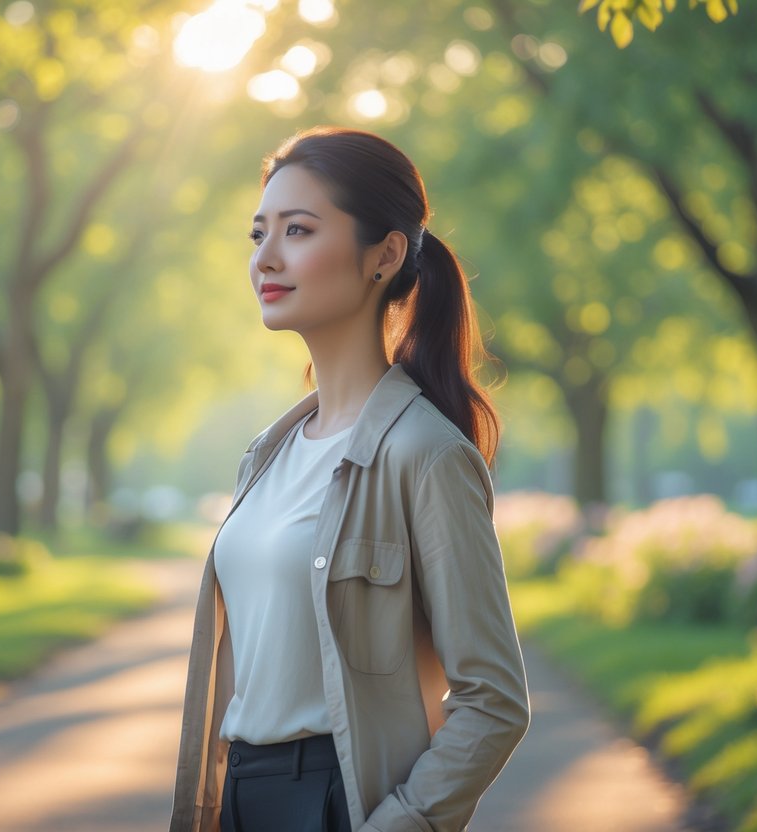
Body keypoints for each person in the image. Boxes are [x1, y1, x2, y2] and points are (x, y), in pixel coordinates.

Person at [169, 126, 530, 832]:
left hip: (337, 803)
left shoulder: (424, 454)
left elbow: (492, 699)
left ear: (384, 255)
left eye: (297, 230)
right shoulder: (265, 456)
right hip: (239, 796)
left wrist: (401, 823)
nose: (266, 258)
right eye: (257, 234)